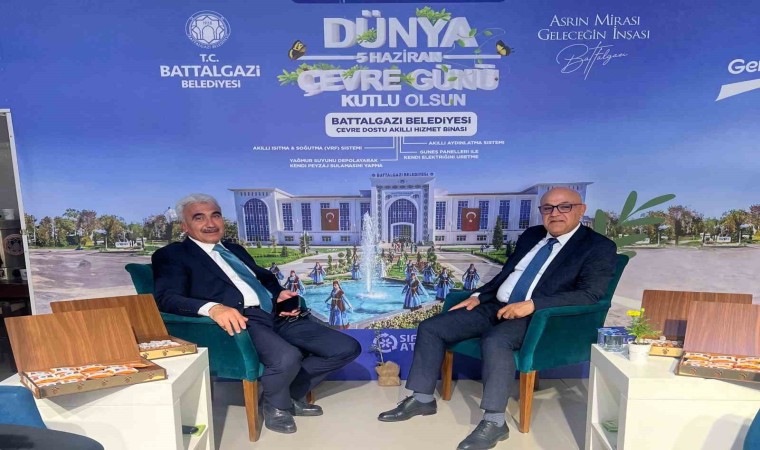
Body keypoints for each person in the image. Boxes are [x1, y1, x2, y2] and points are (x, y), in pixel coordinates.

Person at [378, 187, 617, 450]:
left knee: (496, 340)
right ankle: (423, 399)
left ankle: (494, 422)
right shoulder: (533, 235)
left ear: (581, 210)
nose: (555, 213)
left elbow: (590, 294)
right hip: (496, 306)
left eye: (565, 207)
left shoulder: (598, 246)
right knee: (432, 327)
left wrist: (533, 305)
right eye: (548, 208)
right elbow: (507, 275)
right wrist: (479, 296)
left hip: (541, 317)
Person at [152, 194, 360, 435]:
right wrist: (213, 308)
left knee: (346, 348)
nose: (210, 223)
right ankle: (276, 406)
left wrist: (279, 293)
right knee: (286, 358)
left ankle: (286, 394)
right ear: (185, 226)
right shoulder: (173, 255)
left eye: (215, 216)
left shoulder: (234, 249)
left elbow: (265, 278)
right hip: (241, 320)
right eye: (199, 218)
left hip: (277, 314)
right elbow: (166, 297)